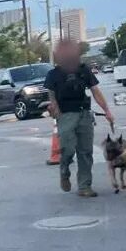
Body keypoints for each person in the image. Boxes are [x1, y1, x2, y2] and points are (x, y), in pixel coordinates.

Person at [45, 39, 115, 197]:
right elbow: (52, 96)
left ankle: (84, 186)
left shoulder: (84, 70)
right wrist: (55, 110)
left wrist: (107, 111)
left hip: (84, 113)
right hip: (66, 116)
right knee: (67, 149)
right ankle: (64, 171)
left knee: (85, 152)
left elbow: (95, 91)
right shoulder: (53, 74)